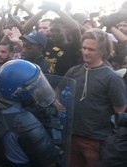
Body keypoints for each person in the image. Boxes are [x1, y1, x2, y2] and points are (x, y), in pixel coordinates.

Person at [55, 28, 127, 167]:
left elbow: (120, 110)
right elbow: (58, 90)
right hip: (71, 135)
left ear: (102, 51)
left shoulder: (111, 78)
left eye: (91, 49)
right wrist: (56, 100)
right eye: (84, 48)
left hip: (96, 140)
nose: (86, 52)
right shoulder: (74, 71)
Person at [0, 59, 62, 167]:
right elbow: (49, 162)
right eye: (34, 86)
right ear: (18, 92)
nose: (37, 89)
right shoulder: (25, 123)